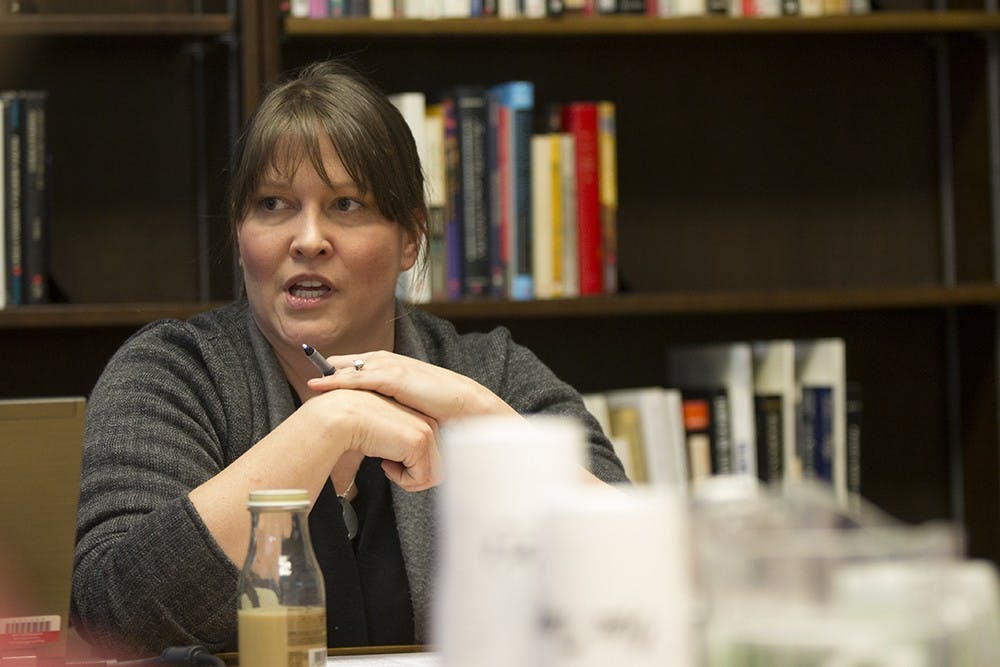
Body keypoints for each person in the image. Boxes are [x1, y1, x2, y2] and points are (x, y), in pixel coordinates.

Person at [70, 59, 628, 658]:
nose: (307, 239)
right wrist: (326, 427)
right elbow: (113, 620)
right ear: (240, 235)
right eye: (273, 204)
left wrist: (476, 414)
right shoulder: (175, 373)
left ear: (411, 237)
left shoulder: (491, 372)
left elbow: (634, 570)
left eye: (346, 205)